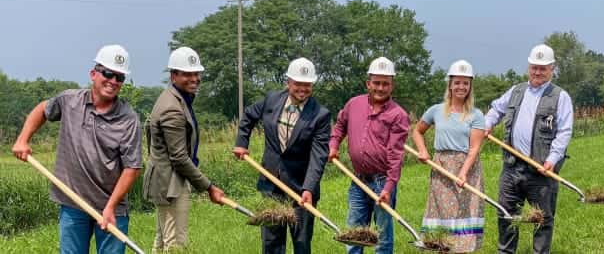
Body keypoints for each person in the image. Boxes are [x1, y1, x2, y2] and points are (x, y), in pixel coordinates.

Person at [12, 44, 142, 254]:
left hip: (112, 207)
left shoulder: (128, 119)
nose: (113, 81)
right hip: (73, 201)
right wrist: (23, 139)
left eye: (120, 77)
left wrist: (110, 207)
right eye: (108, 73)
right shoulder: (69, 101)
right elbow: (42, 110)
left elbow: (132, 168)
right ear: (93, 74)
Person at [233, 57, 331, 254]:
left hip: (301, 188)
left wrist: (309, 188)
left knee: (301, 243)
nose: (302, 88)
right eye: (298, 84)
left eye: (307, 84)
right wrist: (242, 143)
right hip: (271, 183)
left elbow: (318, 156)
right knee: (271, 242)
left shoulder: (320, 115)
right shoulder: (272, 99)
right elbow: (249, 116)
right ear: (288, 82)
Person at [485, 44, 574, 254]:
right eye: (534, 67)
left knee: (542, 220)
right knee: (506, 214)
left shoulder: (560, 97)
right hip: (512, 167)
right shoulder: (516, 91)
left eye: (543, 68)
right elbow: (497, 108)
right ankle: (505, 252)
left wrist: (552, 160)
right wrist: (488, 123)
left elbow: (564, 132)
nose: (537, 72)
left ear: (552, 68)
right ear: (528, 67)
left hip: (541, 170)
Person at [142, 46, 225, 252]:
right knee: (176, 244)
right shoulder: (172, 107)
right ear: (173, 76)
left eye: (197, 73)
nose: (194, 78)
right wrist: (209, 187)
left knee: (162, 241)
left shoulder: (175, 98)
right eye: (188, 73)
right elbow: (179, 157)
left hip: (168, 179)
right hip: (170, 183)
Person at [329, 56, 410, 254]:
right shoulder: (353, 104)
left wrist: (389, 187)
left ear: (392, 86)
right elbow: (340, 126)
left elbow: (395, 156)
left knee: (382, 237)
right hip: (357, 180)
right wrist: (333, 145)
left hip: (382, 182)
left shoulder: (398, 115)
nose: (380, 88)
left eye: (385, 84)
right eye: (376, 83)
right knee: (355, 233)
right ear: (368, 83)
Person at [412, 60, 485, 253]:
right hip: (441, 168)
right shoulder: (436, 110)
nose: (461, 87)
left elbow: (474, 149)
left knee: (463, 213)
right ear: (450, 84)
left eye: (465, 83)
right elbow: (417, 131)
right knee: (442, 211)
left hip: (467, 168)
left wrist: (463, 173)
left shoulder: (476, 115)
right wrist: (423, 150)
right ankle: (441, 247)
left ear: (470, 86)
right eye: (457, 82)